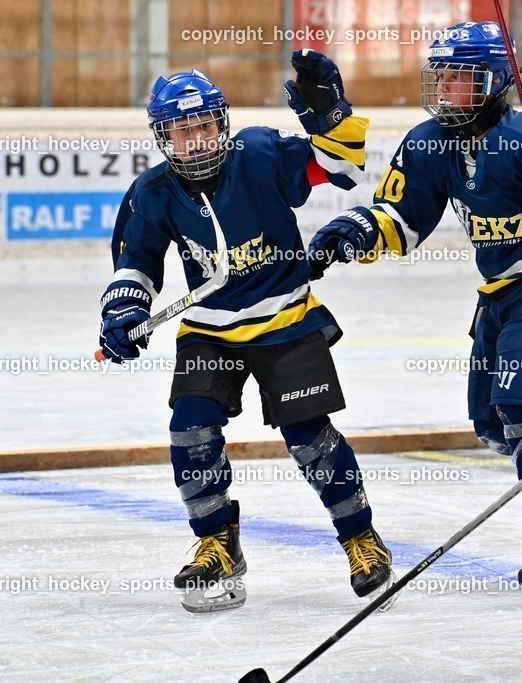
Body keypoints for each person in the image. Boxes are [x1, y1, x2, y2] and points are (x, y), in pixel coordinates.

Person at [305, 21, 522, 606]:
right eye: (441, 78)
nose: (446, 90)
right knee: (493, 423)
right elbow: (401, 218)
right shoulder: (428, 142)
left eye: (461, 79)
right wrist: (355, 230)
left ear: (498, 81)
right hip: (499, 292)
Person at [98, 52, 397, 613]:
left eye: (204, 127)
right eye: (181, 132)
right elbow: (135, 264)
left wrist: (330, 114)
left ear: (223, 124)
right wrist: (121, 315)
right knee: (190, 433)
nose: (196, 142)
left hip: (285, 320)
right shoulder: (152, 192)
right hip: (209, 332)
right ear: (162, 137)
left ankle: (360, 536)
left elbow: (343, 170)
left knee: (311, 438)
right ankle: (217, 540)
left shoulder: (258, 153)